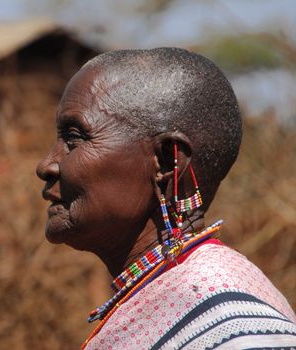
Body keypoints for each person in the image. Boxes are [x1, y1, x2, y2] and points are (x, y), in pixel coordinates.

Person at [36, 48, 296, 349]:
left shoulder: (233, 327)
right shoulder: (166, 293)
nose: (45, 165)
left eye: (74, 138)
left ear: (166, 161)